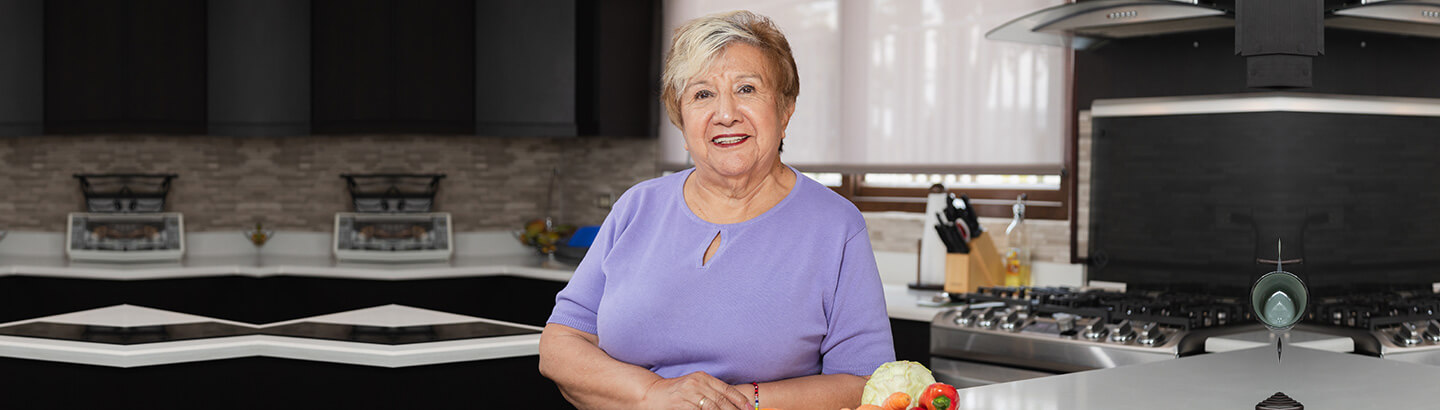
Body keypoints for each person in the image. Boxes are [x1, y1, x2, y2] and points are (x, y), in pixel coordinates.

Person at [539, 10, 894, 410]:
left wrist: (728, 402)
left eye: (746, 89)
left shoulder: (836, 225)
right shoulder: (637, 206)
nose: (725, 114)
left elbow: (867, 382)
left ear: (785, 108)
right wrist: (653, 393)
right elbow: (561, 344)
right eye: (702, 94)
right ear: (681, 116)